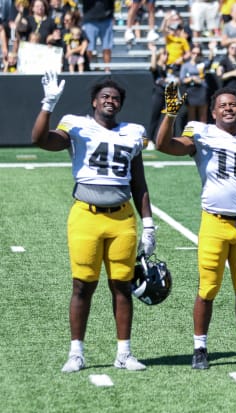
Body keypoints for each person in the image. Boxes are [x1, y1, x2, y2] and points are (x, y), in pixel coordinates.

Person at [31, 72, 157, 372]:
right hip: (86, 215)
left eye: (115, 98)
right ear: (94, 101)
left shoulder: (133, 132)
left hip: (122, 217)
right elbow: (40, 140)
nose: (110, 101)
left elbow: (138, 181)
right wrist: (48, 104)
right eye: (105, 97)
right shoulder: (76, 125)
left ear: (120, 104)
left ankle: (124, 353)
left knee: (122, 286)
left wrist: (149, 223)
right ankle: (76, 352)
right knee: (82, 286)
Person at [155, 85, 236, 370]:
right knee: (208, 288)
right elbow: (164, 145)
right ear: (213, 112)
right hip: (214, 222)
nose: (228, 108)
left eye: (233, 104)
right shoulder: (201, 133)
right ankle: (200, 349)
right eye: (223, 105)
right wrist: (170, 113)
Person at [81, 0, 115, 72]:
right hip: (89, 20)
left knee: (107, 47)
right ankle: (87, 69)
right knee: (88, 48)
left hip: (106, 19)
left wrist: (112, 15)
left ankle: (107, 70)